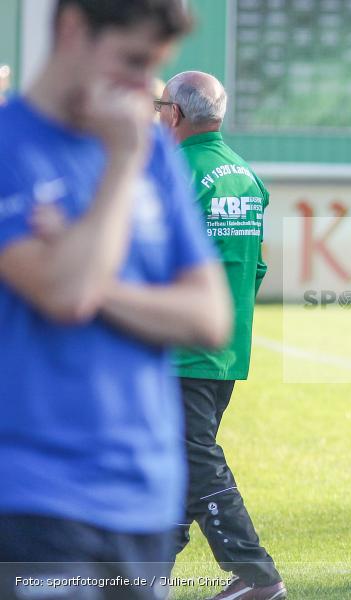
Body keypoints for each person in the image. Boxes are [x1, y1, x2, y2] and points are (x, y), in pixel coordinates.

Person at [0, 1, 233, 599]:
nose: (143, 87)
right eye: (132, 61)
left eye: (154, 67)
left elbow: (209, 317)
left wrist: (84, 270)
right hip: (36, 496)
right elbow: (63, 295)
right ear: (74, 28)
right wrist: (120, 168)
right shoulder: (13, 150)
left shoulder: (153, 153)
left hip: (145, 496)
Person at [157, 71, 286, 600]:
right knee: (176, 460)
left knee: (194, 457)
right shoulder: (245, 175)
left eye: (160, 104)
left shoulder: (173, 172)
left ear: (176, 115)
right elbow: (257, 267)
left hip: (179, 347)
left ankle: (257, 576)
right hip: (226, 347)